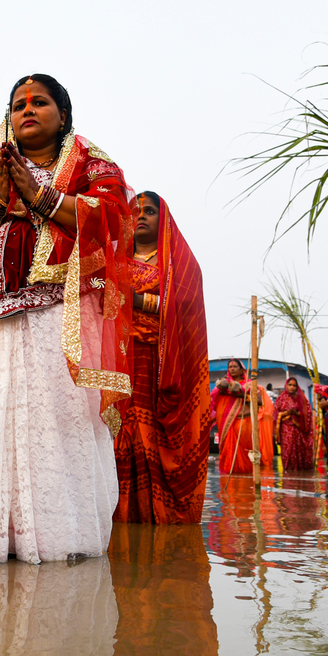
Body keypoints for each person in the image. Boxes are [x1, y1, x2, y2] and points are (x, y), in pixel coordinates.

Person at [0, 73, 134, 564]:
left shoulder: (90, 164)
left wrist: (39, 198)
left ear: (63, 113)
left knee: (55, 422)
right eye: (18, 105)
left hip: (56, 320)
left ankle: (64, 537)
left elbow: (113, 217)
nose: (27, 110)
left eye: (39, 102)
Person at [113, 191, 210, 524]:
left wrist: (136, 301)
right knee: (116, 435)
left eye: (150, 211)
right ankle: (115, 519)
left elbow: (185, 309)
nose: (141, 216)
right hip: (119, 362)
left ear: (163, 220)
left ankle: (156, 520)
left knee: (148, 433)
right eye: (135, 211)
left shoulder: (180, 265)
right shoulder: (112, 260)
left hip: (159, 364)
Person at [212, 359, 274, 475]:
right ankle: (229, 482)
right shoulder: (223, 385)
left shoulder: (250, 384)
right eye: (230, 366)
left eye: (235, 366)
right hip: (227, 424)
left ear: (242, 370)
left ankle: (245, 481)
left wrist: (242, 395)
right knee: (228, 455)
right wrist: (223, 392)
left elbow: (259, 402)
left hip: (244, 422)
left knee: (245, 453)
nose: (232, 368)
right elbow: (213, 403)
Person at [274, 377, 314, 471]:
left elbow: (307, 412)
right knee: (288, 451)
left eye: (294, 385)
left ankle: (301, 472)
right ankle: (289, 471)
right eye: (290, 385)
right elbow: (275, 413)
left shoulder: (301, 399)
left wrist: (296, 413)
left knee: (299, 450)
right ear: (286, 386)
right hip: (286, 429)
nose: (292, 387)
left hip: (298, 429)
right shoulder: (281, 398)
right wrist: (286, 413)